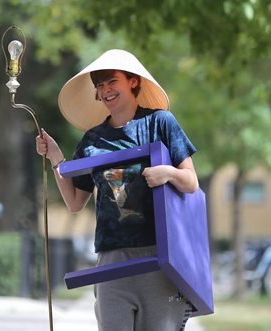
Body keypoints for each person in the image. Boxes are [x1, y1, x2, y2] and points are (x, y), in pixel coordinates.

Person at [36, 49, 199, 330]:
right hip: (111, 261)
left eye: (112, 81)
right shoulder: (92, 140)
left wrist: (168, 173)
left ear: (133, 82)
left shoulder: (160, 123)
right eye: (100, 85)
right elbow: (75, 202)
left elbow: (191, 182)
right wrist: (55, 157)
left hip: (160, 259)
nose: (106, 90)